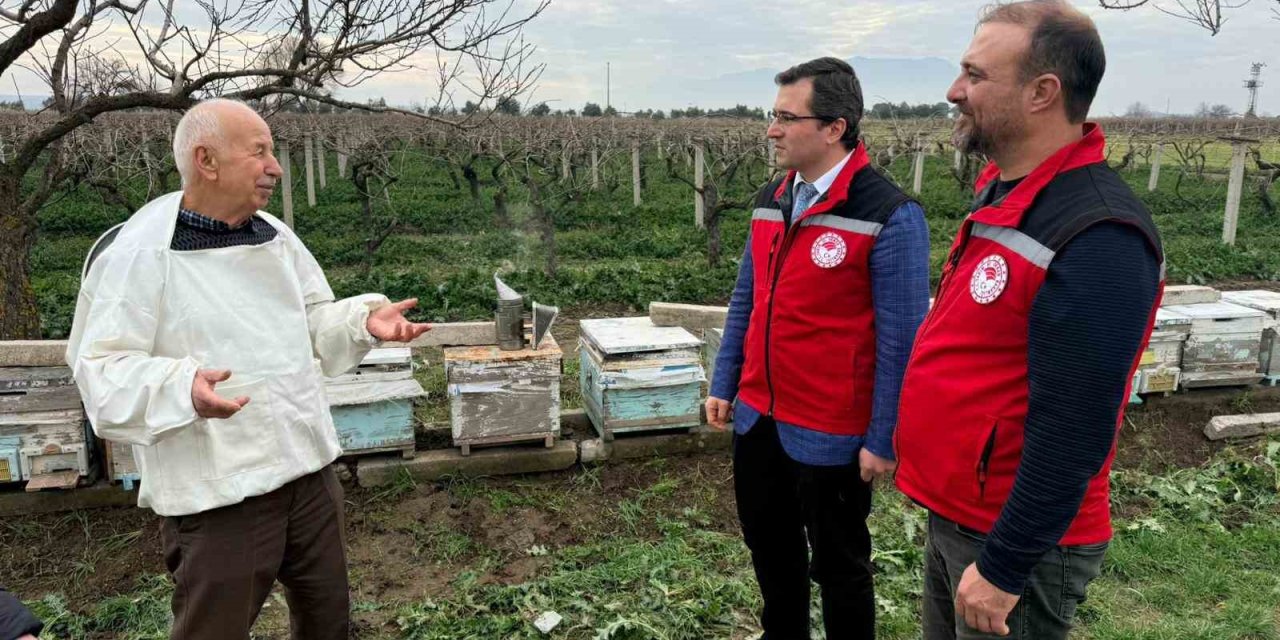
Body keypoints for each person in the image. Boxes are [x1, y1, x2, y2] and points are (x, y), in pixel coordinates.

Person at [65, 98, 430, 640]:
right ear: (206, 160)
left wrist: (359, 321)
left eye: (274, 152)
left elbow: (308, 318)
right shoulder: (140, 253)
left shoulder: (275, 236)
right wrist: (180, 386)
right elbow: (99, 367)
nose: (275, 167)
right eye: (259, 151)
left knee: (328, 618)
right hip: (220, 492)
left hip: (305, 467)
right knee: (214, 629)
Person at [893, 2, 1164, 638]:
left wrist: (1007, 565)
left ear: (1043, 92)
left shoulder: (1099, 233)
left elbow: (1076, 426)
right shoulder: (1010, 191)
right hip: (960, 514)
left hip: (1015, 542)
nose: (954, 91)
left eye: (975, 75)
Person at [705, 57, 931, 639]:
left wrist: (884, 438)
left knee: (839, 565)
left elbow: (901, 341)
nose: (772, 130)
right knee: (770, 550)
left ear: (834, 127)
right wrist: (724, 382)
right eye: (772, 115)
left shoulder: (888, 213)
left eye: (786, 117)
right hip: (760, 419)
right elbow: (745, 298)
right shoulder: (772, 197)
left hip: (831, 432)